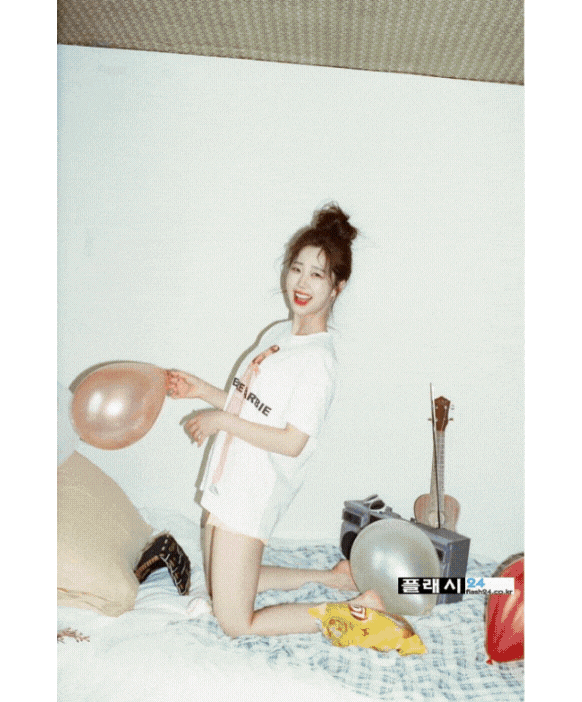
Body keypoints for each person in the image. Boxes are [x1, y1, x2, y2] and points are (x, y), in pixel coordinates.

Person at [167, 203, 384, 637]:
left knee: (234, 622)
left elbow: (292, 441)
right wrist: (202, 391)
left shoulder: (318, 361)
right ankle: (332, 578)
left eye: (317, 274)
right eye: (296, 269)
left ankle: (358, 609)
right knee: (217, 584)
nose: (301, 283)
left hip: (253, 491)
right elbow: (249, 406)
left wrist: (220, 421)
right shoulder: (278, 334)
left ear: (337, 287)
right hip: (226, 480)